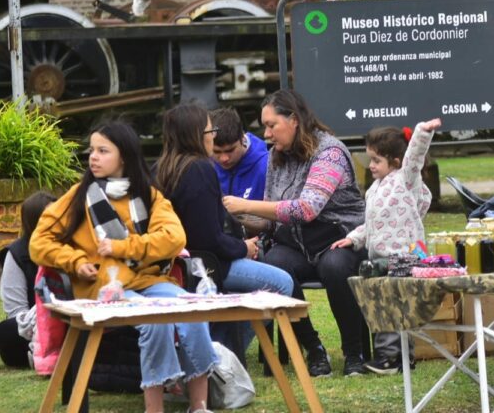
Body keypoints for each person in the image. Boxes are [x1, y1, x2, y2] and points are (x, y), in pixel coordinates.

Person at [29, 121, 217, 413]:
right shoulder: (78, 196)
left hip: (148, 281)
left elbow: (174, 237)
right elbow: (39, 242)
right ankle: (153, 409)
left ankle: (200, 406)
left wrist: (123, 246)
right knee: (155, 322)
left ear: (124, 157)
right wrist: (76, 261)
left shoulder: (149, 195)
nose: (93, 157)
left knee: (193, 310)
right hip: (103, 288)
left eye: (103, 151)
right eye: (92, 150)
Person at [222, 90, 367, 377]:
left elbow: (306, 209)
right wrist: (233, 215)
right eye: (264, 126)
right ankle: (313, 349)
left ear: (295, 120)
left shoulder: (330, 152)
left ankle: (354, 353)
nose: (266, 134)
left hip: (339, 238)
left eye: (271, 125)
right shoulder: (277, 156)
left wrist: (247, 204)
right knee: (274, 265)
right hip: (299, 243)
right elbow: (274, 222)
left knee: (334, 266)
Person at [154, 103, 293, 353]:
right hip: (204, 265)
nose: (213, 136)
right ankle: (225, 353)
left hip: (174, 263)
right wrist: (243, 247)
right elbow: (208, 239)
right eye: (209, 131)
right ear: (195, 135)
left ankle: (215, 346)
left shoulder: (161, 167)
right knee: (281, 283)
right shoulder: (199, 169)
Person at [331, 118, 441, 374]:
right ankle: (399, 357)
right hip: (382, 257)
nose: (370, 166)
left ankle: (392, 358)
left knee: (392, 303)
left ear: (395, 161)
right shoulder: (374, 190)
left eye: (376, 160)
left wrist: (422, 132)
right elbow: (372, 224)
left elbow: (414, 155)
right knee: (382, 302)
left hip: (404, 255)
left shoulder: (406, 179)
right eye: (370, 159)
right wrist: (355, 237)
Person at [0, 191, 57, 369]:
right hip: (35, 322)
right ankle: (42, 350)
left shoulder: (72, 247)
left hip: (71, 315)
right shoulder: (17, 254)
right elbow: (17, 312)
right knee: (6, 330)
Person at [209, 107, 270, 235]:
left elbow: (272, 221)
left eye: (230, 150)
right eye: (217, 152)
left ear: (242, 139)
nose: (224, 158)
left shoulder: (265, 166)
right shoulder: (204, 164)